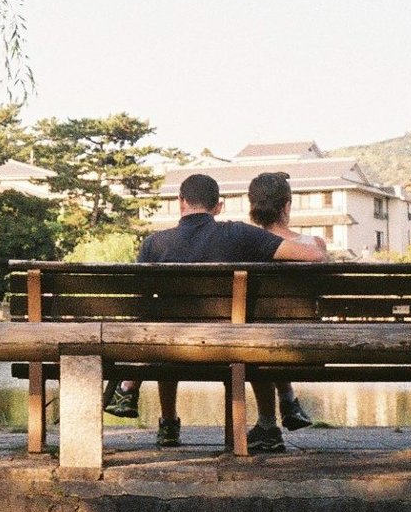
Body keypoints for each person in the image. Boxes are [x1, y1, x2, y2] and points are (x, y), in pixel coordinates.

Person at [104, 172, 325, 453]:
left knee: (164, 327)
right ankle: (269, 422)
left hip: (170, 348)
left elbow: (141, 306)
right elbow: (314, 256)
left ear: (180, 202)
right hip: (228, 345)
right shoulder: (239, 234)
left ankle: (161, 418)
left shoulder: (154, 244)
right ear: (218, 206)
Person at [245, 171, 323, 437]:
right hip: (308, 343)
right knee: (276, 327)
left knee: (260, 331)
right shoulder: (314, 245)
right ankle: (288, 400)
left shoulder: (242, 247)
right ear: (287, 205)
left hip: (255, 342)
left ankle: (267, 422)